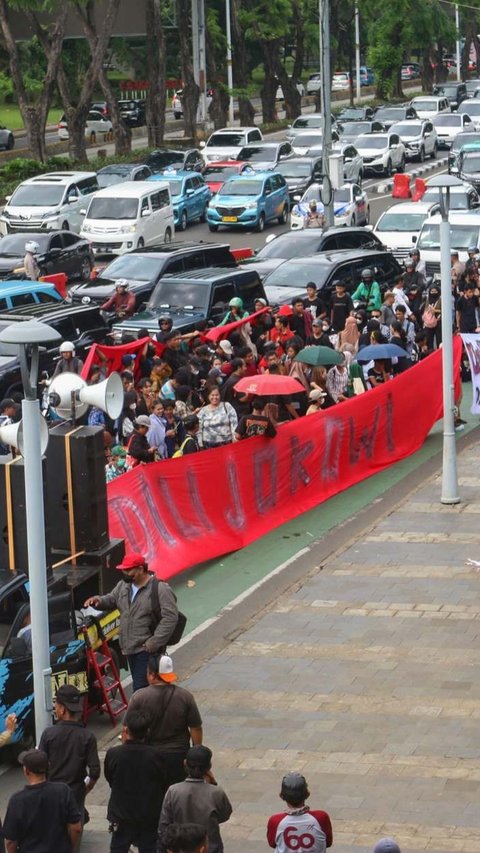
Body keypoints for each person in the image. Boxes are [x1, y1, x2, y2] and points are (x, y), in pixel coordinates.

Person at [84, 553, 179, 691]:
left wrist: (154, 642)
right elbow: (112, 599)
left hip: (146, 650)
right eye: (124, 570)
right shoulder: (124, 586)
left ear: (140, 569)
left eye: (129, 570)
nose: (125, 573)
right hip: (129, 649)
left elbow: (170, 617)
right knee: (143, 688)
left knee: (140, 689)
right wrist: (98, 601)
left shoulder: (160, 589)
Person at [127, 654, 203, 790]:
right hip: (179, 756)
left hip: (148, 756)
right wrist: (196, 755)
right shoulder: (185, 697)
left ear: (151, 674)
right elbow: (195, 728)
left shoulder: (138, 697)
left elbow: (127, 730)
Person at [38, 684, 100, 832]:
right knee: (75, 830)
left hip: (51, 792)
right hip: (76, 792)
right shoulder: (87, 736)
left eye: (56, 705)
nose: (55, 708)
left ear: (62, 709)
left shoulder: (48, 734)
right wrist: (86, 787)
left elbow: (40, 764)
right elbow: (95, 771)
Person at [104, 708, 167, 853]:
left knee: (118, 847)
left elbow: (110, 778)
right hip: (149, 813)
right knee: (149, 847)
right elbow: (163, 781)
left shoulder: (114, 754)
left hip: (121, 813)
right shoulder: (157, 755)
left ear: (126, 730)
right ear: (148, 732)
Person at [2, 749, 81, 853]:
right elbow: (76, 828)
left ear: (26, 771)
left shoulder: (17, 800)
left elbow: (11, 841)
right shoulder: (63, 791)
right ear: (48, 766)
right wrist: (70, 849)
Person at [158, 745, 232, 853]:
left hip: (181, 847)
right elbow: (225, 815)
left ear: (185, 763)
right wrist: (213, 783)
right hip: (210, 848)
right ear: (209, 767)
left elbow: (164, 825)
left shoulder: (173, 791)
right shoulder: (216, 792)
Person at [267, 772, 332, 853]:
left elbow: (272, 843)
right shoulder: (321, 817)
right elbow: (328, 842)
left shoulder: (275, 821)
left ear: (281, 796)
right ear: (307, 794)